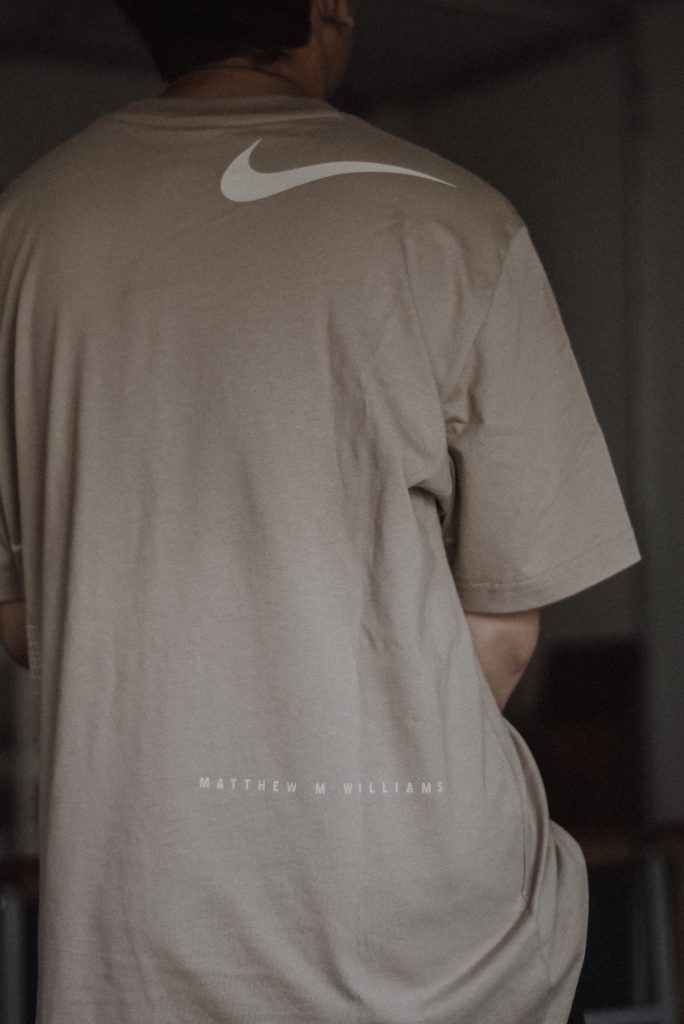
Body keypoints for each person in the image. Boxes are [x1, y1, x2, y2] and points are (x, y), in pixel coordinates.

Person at [0, 1, 641, 1022]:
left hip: (138, 922)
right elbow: (504, 635)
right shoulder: (460, 221)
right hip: (417, 931)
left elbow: (24, 617)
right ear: (330, 7)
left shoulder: (23, 229)